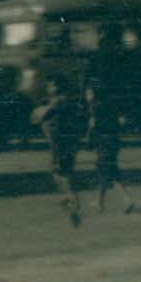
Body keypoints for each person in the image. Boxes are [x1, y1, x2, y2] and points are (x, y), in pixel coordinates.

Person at [32, 65, 90, 227]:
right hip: (66, 143)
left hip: (60, 144)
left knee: (60, 173)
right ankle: (70, 199)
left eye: (50, 84)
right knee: (61, 172)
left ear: (58, 86)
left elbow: (41, 117)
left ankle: (72, 202)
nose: (48, 87)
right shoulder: (65, 99)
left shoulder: (59, 100)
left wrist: (38, 113)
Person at [86, 72, 131, 216]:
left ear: (93, 92)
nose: (87, 95)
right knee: (108, 172)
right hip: (114, 140)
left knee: (105, 172)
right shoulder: (110, 104)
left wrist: (88, 140)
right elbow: (121, 121)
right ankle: (100, 202)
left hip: (102, 141)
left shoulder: (94, 107)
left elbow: (93, 125)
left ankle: (126, 200)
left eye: (88, 92)